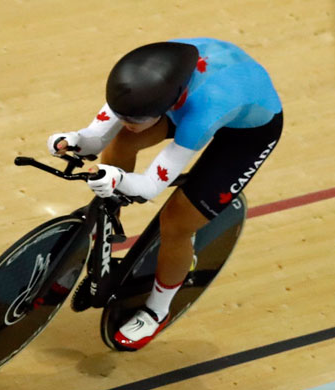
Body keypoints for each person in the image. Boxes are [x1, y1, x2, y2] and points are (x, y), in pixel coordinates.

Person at [48, 38, 282, 349]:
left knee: (176, 223)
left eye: (136, 119)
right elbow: (97, 137)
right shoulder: (141, 79)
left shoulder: (204, 110)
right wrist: (75, 139)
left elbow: (150, 187)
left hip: (245, 134)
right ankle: (106, 224)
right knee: (123, 141)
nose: (128, 123)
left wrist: (118, 177)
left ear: (170, 103)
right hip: (194, 101)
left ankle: (157, 311)